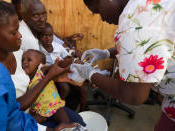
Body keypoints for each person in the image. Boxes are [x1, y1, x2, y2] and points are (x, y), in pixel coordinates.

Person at [0, 0, 86, 129]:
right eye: (14, 33)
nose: (20, 35)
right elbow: (12, 110)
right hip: (29, 117)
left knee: (79, 121)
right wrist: (49, 77)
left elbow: (32, 73)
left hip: (34, 110)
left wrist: (58, 69)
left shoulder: (17, 54)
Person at [73, 0, 175, 130]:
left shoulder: (134, 25)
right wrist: (106, 53)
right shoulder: (145, 6)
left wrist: (89, 73)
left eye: (98, 11)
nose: (102, 19)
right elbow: (152, 45)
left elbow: (133, 95)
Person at [38, 23, 88, 111]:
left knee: (83, 88)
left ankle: (83, 111)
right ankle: (59, 108)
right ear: (39, 36)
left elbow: (66, 56)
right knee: (65, 88)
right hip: (53, 75)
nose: (48, 38)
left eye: (50, 35)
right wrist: (71, 61)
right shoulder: (39, 51)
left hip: (65, 70)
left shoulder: (57, 46)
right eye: (44, 36)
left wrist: (73, 61)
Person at [22, 49, 70, 125]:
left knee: (67, 124)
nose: (24, 62)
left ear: (39, 64)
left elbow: (58, 65)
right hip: (39, 111)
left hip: (55, 106)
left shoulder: (41, 71)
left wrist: (71, 59)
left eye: (29, 60)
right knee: (30, 125)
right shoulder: (24, 79)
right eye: (22, 60)